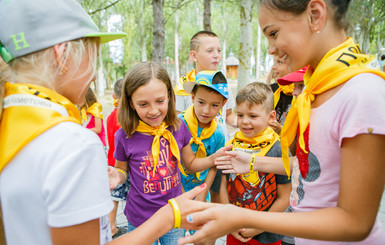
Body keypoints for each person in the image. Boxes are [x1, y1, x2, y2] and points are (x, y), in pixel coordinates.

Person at [0, 1, 217, 244]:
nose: (93, 75)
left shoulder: (10, 126)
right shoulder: (74, 143)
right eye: (92, 58)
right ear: (62, 55)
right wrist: (171, 214)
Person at [178, 1, 385, 244]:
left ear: (315, 15)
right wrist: (253, 161)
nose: (270, 49)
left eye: (273, 33)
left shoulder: (361, 92)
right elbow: (315, 170)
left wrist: (244, 218)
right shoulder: (316, 90)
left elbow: (356, 222)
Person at [108, 62, 231, 245]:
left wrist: (213, 159)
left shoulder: (178, 128)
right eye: (143, 104)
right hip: (140, 218)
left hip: (175, 214)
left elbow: (190, 164)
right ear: (131, 103)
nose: (153, 110)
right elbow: (122, 170)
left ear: (169, 97)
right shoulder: (124, 136)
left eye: (160, 101)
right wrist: (117, 176)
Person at [220, 82, 291, 245]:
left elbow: (284, 196)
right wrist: (228, 221)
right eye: (241, 115)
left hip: (267, 235)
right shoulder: (231, 145)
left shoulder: (278, 149)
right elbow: (223, 186)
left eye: (253, 116)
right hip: (234, 229)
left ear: (271, 117)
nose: (244, 121)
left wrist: (258, 227)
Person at [175, 30, 236, 203]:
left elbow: (229, 116)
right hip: (191, 152)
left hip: (218, 146)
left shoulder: (224, 85)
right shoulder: (183, 87)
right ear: (194, 55)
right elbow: (179, 124)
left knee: (217, 190)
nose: (216, 55)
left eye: (218, 51)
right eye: (210, 51)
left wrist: (247, 123)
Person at [179, 70, 228, 203]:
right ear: (193, 97)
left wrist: (203, 192)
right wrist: (182, 195)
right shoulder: (178, 125)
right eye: (201, 102)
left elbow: (213, 165)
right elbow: (171, 162)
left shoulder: (218, 134)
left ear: (223, 104)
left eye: (214, 105)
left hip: (201, 195)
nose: (206, 111)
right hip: (177, 193)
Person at [106, 78, 130, 239]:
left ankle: (111, 227)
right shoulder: (125, 118)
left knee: (114, 198)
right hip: (121, 165)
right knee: (121, 198)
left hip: (111, 162)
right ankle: (112, 227)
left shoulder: (110, 116)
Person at [268, 55, 294, 134]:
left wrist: (281, 131)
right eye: (274, 62)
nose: (273, 67)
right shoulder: (271, 90)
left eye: (279, 62)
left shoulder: (302, 93)